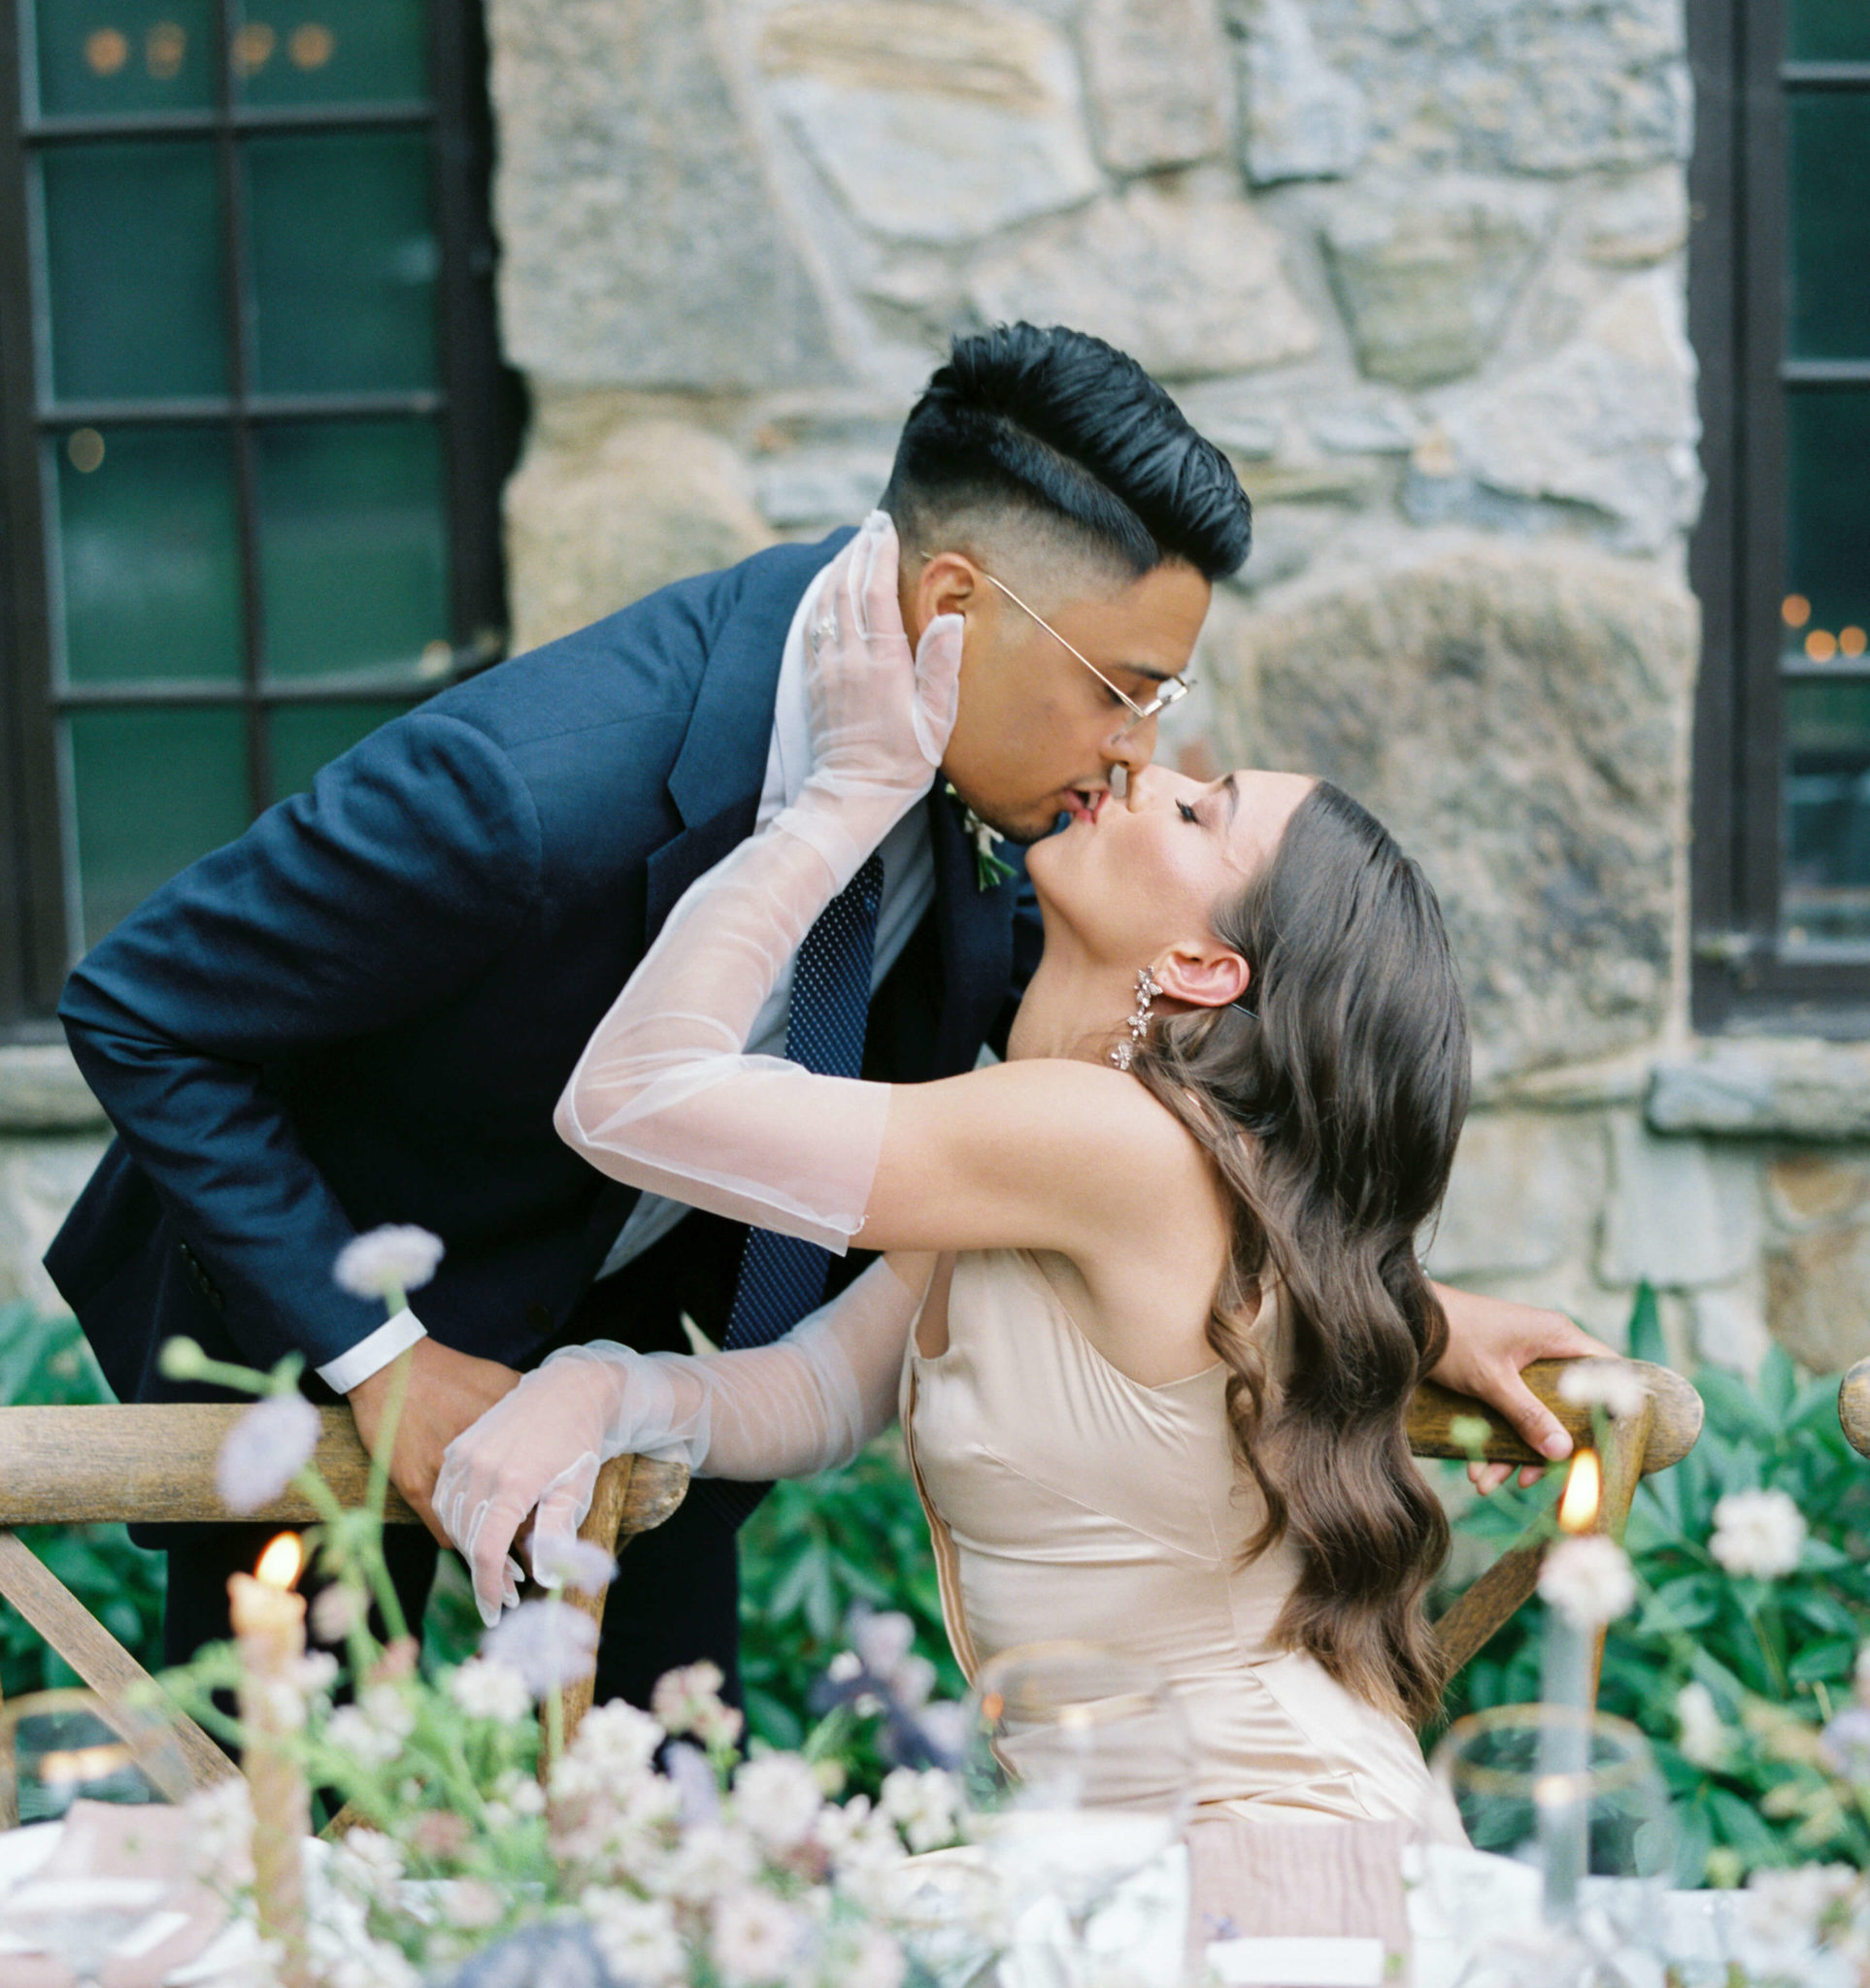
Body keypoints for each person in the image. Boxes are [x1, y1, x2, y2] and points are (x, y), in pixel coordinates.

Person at [49, 322, 1589, 1708]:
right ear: (952, 605)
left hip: (658, 1386)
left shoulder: (1003, 776)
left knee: (676, 1854)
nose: (1133, 754)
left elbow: (1140, 1159)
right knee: (292, 1831)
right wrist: (381, 1359)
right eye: (1122, 691)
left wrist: (1406, 1315)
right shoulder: (524, 795)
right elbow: (141, 1011)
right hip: (330, 1344)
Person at [436, 521, 1573, 1825]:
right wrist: (602, 1386)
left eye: (1202, 814)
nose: (1142, 770)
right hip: (1114, 1856)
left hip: (1262, 1849)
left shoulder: (1105, 1144)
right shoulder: (1085, 1156)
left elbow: (633, 1100)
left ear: (1205, 968)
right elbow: (819, 1391)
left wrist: (844, 799)